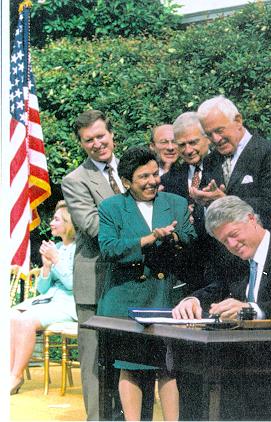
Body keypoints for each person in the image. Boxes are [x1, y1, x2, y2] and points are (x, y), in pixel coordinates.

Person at [172, 195, 271, 420]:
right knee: (190, 372)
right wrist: (193, 300)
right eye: (224, 242)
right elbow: (218, 288)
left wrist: (250, 310)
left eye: (234, 235)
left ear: (251, 219)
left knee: (220, 381)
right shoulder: (237, 260)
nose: (231, 245)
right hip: (246, 358)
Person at [97, 146, 195, 421]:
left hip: (163, 296)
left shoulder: (175, 202)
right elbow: (109, 248)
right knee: (130, 365)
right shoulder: (111, 207)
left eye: (155, 174)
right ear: (127, 182)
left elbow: (190, 236)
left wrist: (172, 237)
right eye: (144, 177)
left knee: (167, 366)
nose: (152, 181)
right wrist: (149, 239)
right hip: (126, 299)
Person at [61, 110, 126, 420]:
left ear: (112, 134)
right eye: (89, 140)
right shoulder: (74, 180)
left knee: (131, 358)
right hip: (96, 282)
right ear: (81, 144)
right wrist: (143, 228)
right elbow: (91, 226)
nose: (97, 143)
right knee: (95, 361)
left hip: (133, 282)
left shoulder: (135, 170)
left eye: (101, 136)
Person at [193, 95, 271, 238]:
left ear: (238, 120)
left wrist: (227, 202)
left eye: (219, 130)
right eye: (209, 134)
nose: (216, 139)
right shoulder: (210, 160)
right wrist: (203, 203)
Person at [10, 201, 77, 395]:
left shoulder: (79, 250)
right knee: (10, 316)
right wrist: (46, 266)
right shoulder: (57, 246)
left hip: (68, 304)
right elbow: (42, 288)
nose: (51, 223)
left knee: (25, 320)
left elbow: (72, 284)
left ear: (69, 224)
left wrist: (55, 259)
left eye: (56, 219)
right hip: (49, 301)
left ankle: (16, 376)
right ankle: (7, 373)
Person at [161, 112, 215, 292]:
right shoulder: (169, 180)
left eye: (193, 142)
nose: (188, 150)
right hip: (187, 273)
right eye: (182, 145)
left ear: (207, 138)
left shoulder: (223, 169)